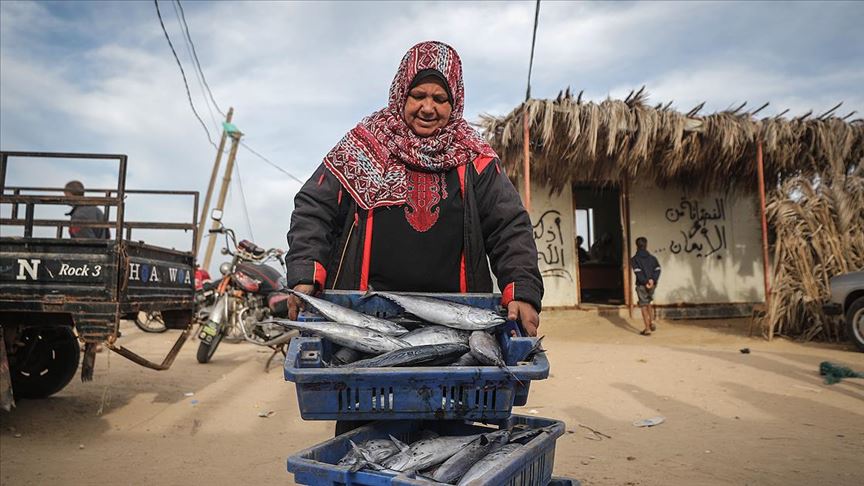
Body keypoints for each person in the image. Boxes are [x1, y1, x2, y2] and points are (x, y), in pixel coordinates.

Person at [283, 41, 543, 336]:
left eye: (440, 98)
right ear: (401, 94)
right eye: (418, 95)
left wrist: (522, 289)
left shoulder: (476, 159)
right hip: (363, 317)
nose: (428, 108)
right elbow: (314, 208)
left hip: (456, 323)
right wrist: (306, 273)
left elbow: (508, 226)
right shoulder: (363, 146)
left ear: (455, 101)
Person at [631, 237, 661, 335]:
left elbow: (638, 273)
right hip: (652, 285)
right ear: (646, 245)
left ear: (637, 246)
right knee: (649, 303)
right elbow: (658, 270)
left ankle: (647, 328)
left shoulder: (634, 259)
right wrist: (652, 280)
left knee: (643, 305)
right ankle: (651, 322)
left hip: (641, 285)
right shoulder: (653, 258)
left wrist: (645, 282)